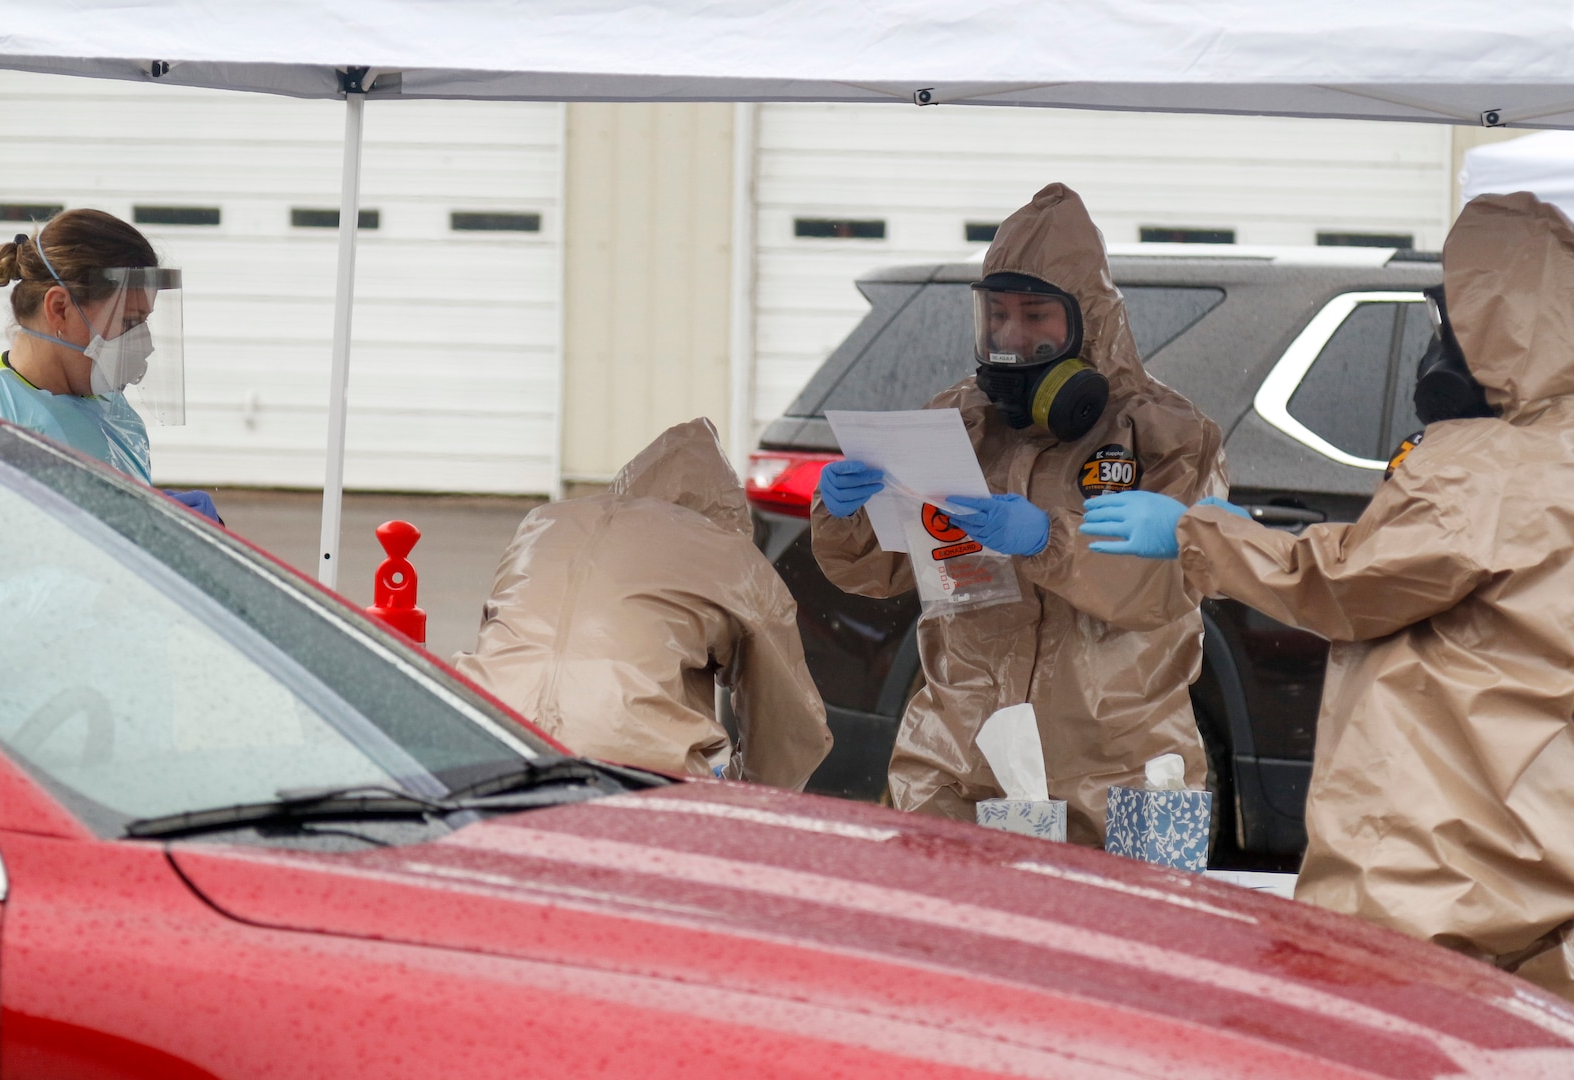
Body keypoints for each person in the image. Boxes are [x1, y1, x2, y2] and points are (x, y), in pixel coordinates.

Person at [1080, 190, 1574, 1001]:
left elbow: (1345, 586)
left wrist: (1198, 532)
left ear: (1491, 321)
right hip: (1542, 832)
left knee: (1395, 1027)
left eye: (1445, 322)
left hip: (1444, 847)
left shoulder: (1481, 464)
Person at [811, 183, 1227, 843]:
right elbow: (879, 574)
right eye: (997, 315)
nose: (1011, 334)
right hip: (965, 760)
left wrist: (1048, 541)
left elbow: (1173, 584)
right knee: (952, 936)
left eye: (1036, 315)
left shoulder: (1166, 434)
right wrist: (847, 516)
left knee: (1127, 940)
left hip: (1123, 762)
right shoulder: (956, 422)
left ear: (1086, 318)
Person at [452, 418, 832, 787]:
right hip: (631, 774)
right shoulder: (727, 555)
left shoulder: (541, 524)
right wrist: (734, 788)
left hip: (483, 740)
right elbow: (788, 739)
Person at [0, 209, 219, 521]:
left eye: (144, 321)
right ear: (59, 308)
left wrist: (154, 518)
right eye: (128, 320)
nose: (144, 342)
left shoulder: (105, 404)